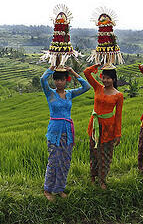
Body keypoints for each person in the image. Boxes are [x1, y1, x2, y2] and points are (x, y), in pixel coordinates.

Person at [41, 65, 90, 201]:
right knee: (53, 161)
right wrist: (51, 68)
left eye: (62, 80)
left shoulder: (69, 94)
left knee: (65, 161)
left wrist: (72, 71)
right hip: (54, 132)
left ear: (66, 80)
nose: (59, 83)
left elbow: (87, 87)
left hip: (67, 132)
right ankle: (48, 189)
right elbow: (42, 79)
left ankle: (59, 188)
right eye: (56, 80)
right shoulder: (50, 93)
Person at [83, 63, 123, 190]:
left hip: (108, 128)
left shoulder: (118, 95)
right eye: (103, 77)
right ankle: (93, 177)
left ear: (114, 79)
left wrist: (118, 134)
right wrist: (97, 65)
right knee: (94, 152)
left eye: (108, 78)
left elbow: (118, 116)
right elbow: (86, 73)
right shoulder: (98, 88)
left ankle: (102, 179)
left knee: (105, 154)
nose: (105, 80)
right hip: (95, 126)